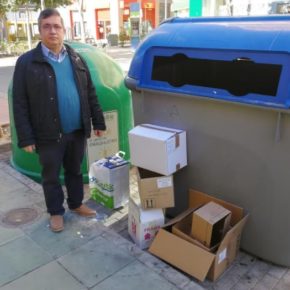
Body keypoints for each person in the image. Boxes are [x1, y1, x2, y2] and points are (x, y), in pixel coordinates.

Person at [12, 8, 106, 232]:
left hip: (76, 130)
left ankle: (75, 204)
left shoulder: (76, 58)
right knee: (51, 175)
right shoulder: (26, 63)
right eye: (47, 26)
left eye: (56, 26)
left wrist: (98, 122)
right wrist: (26, 137)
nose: (52, 31)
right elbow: (19, 103)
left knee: (74, 170)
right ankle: (56, 212)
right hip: (47, 133)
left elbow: (89, 92)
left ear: (64, 30)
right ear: (39, 30)